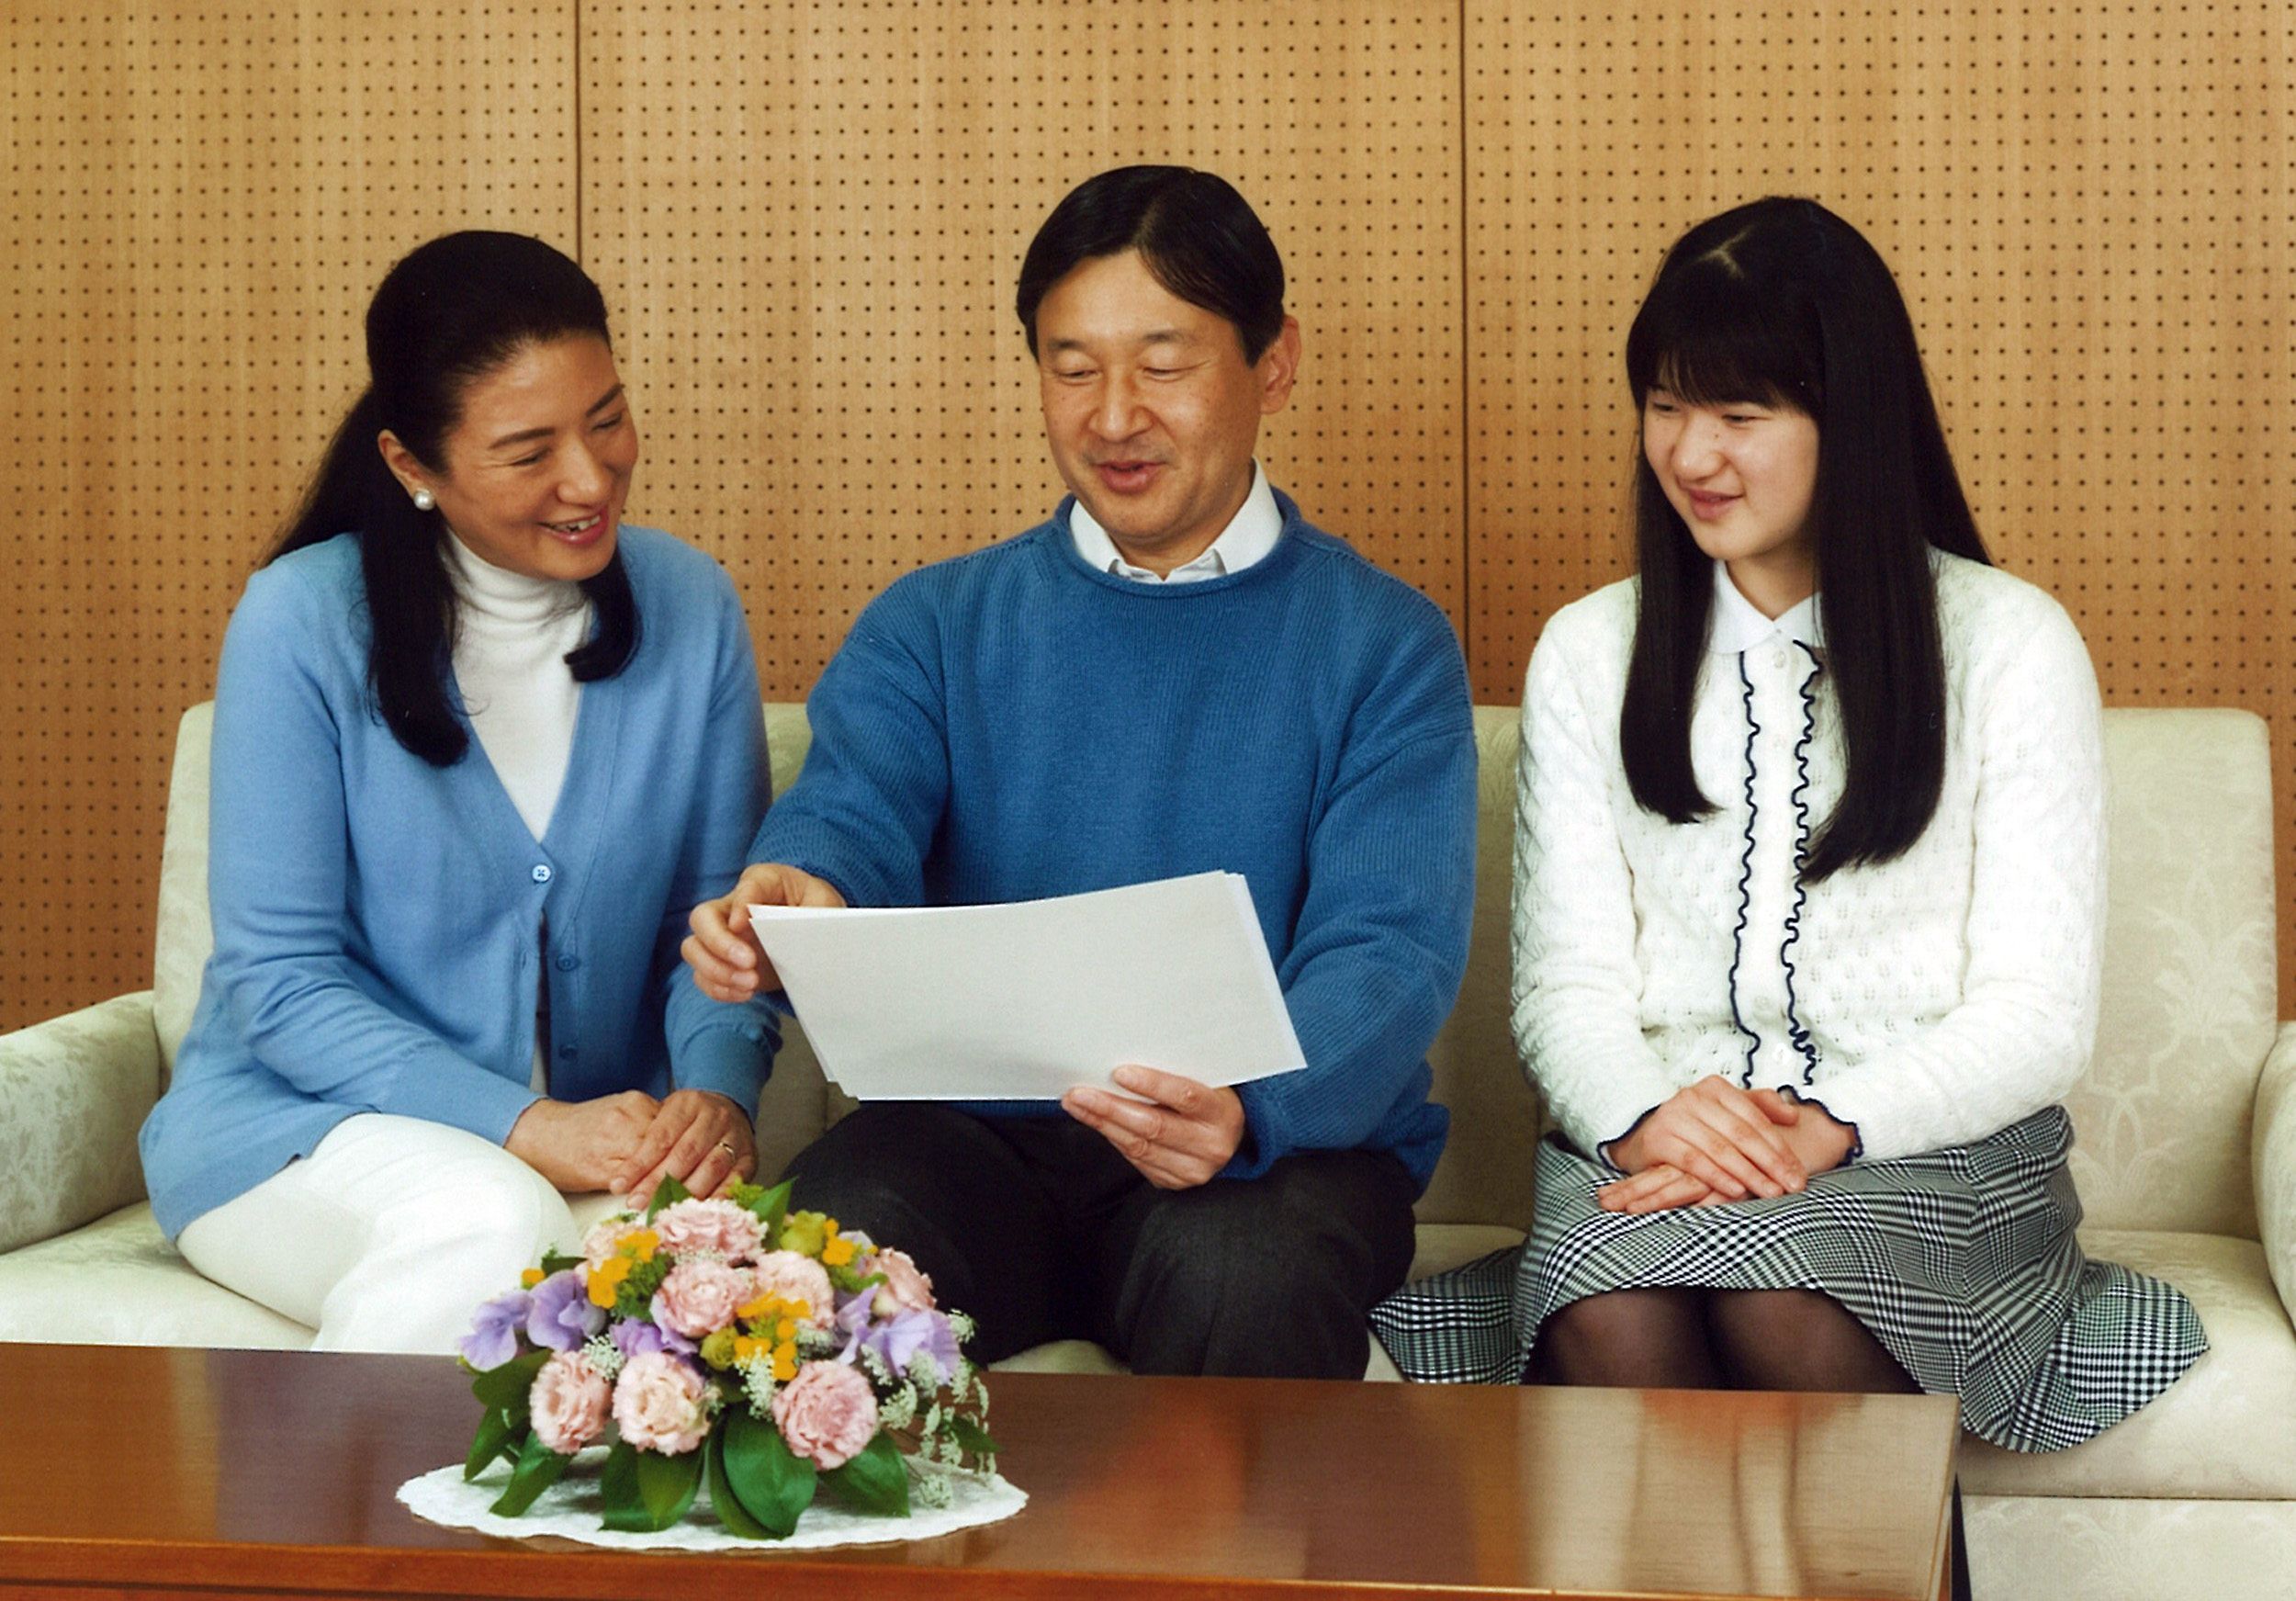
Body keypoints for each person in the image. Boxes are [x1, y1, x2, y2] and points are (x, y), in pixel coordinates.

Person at [1371, 197, 2205, 1453]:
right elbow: (1566, 987)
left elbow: (2034, 1016)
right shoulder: (1592, 650)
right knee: (1618, 1307)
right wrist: (1650, 1115)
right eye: (1665, 406)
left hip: (1932, 1151)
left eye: (1741, 416)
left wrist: (1834, 1125)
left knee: (1780, 1296)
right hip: (1652, 1140)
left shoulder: (2009, 643)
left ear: (1850, 420)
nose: (1692, 454)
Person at [684, 165, 1477, 1380]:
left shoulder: (1382, 641)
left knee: (1243, 1282)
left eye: (1163, 364)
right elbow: (851, 812)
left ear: (1273, 362)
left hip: (1258, 1154)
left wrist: (1251, 1108)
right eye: (1073, 366)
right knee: (804, 1275)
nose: (1113, 415)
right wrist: (799, 890)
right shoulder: (937, 622)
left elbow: (1390, 948)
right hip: (970, 1149)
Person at [139, 231, 780, 1354]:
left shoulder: (691, 606)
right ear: (410, 466)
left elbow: (720, 930)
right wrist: (524, 1125)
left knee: (719, 1286)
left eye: (608, 419)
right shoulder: (299, 622)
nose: (589, 480)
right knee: (492, 1222)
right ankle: (305, 1538)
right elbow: (278, 985)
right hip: (302, 1130)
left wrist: (715, 1099)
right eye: (530, 451)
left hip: (597, 1139)